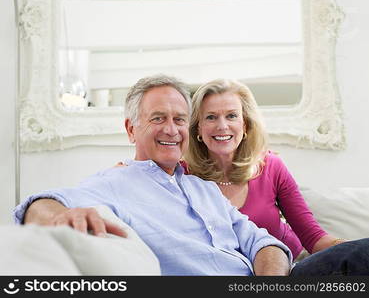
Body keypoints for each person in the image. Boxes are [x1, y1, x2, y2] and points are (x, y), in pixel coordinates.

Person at [14, 74, 292, 276]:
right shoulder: (114, 182)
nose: (171, 130)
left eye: (179, 120)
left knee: (336, 259)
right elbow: (39, 204)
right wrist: (56, 216)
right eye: (158, 118)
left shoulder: (204, 188)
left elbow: (265, 243)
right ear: (131, 129)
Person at [182, 78, 369, 275]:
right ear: (198, 128)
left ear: (245, 125)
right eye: (211, 117)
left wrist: (354, 250)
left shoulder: (270, 166)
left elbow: (314, 238)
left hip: (289, 270)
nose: (222, 126)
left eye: (231, 116)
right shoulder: (182, 175)